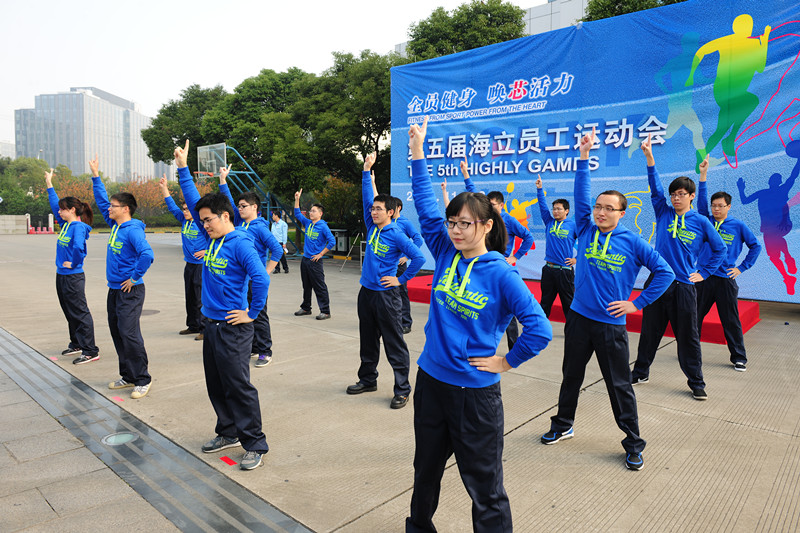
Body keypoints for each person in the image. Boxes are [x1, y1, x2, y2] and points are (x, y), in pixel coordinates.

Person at [406, 117, 552, 532]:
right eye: (452, 223)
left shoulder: (502, 274)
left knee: (484, 487)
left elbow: (539, 329)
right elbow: (423, 202)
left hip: (474, 396)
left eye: (465, 223)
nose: (455, 230)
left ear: (486, 226)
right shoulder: (445, 250)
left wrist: (506, 363)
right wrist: (418, 150)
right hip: (432, 382)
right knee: (425, 472)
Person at [540, 128, 674, 473]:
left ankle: (633, 442)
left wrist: (637, 304)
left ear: (621, 213)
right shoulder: (583, 229)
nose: (600, 212)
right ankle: (563, 424)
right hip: (579, 319)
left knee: (618, 385)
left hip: (612, 325)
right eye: (599, 207)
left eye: (608, 208)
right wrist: (583, 158)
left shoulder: (632, 241)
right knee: (571, 375)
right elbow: (580, 195)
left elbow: (665, 273)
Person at [176, 139, 270, 471]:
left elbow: (262, 279)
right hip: (211, 325)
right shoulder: (211, 239)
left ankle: (254, 442)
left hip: (234, 327)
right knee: (216, 384)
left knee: (238, 386)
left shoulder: (240, 243)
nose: (203, 225)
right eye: (201, 221)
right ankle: (227, 432)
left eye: (208, 220)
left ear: (225, 216)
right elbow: (192, 199)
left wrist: (252, 313)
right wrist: (182, 168)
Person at [631, 135, 726, 400]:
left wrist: (704, 273)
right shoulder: (663, 212)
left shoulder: (701, 221)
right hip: (657, 282)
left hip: (684, 285)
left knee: (688, 337)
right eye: (673, 194)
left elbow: (720, 249)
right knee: (649, 331)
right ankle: (640, 371)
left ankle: (696, 381)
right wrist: (649, 157)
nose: (675, 198)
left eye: (681, 194)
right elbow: (655, 188)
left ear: (692, 196)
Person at [346, 153, 425, 409]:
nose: (373, 211)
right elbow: (368, 197)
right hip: (366, 293)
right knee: (367, 340)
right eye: (373, 209)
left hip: (386, 297)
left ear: (391, 212)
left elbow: (418, 258)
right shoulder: (372, 228)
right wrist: (366, 171)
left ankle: (402, 389)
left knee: (394, 343)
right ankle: (368, 379)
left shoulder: (397, 233)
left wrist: (401, 281)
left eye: (379, 209)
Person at [90, 155, 154, 399]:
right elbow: (101, 200)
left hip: (130, 290)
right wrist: (96, 176)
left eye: (114, 206)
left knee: (129, 332)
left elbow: (147, 255)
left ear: (125, 209)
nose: (109, 209)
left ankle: (142, 379)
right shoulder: (115, 225)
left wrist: (135, 277)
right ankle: (128, 375)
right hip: (114, 289)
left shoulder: (132, 230)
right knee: (117, 331)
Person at [460, 160, 534, 351]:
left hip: (500, 266)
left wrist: (515, 257)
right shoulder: (484, 219)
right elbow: (474, 195)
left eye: (493, 205)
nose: (491, 208)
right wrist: (466, 174)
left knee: (505, 308)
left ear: (501, 205)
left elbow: (527, 237)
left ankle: (514, 346)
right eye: (488, 205)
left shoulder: (509, 221)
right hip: (481, 265)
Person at [696, 156, 761, 371]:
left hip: (725, 280)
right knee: (693, 318)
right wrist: (703, 176)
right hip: (704, 278)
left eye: (720, 206)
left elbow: (755, 246)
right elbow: (701, 201)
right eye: (714, 206)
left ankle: (739, 357)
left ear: (729, 206)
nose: (716, 209)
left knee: (730, 320)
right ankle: (690, 353)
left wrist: (742, 268)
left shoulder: (738, 225)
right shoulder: (706, 221)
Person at [219, 168, 281, 368]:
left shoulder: (260, 227)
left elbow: (277, 250)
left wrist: (266, 271)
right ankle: (253, 347)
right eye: (239, 206)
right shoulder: (239, 224)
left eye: (244, 206)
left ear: (255, 207)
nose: (240, 209)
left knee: (259, 314)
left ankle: (265, 351)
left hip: (255, 279)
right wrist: (222, 180)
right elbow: (227, 201)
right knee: (244, 312)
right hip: (241, 280)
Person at [45, 168, 99, 365]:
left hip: (73, 276)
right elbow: (53, 205)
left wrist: (75, 263)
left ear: (72, 210)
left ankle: (90, 350)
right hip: (62, 275)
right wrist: (49, 183)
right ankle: (76, 343)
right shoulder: (66, 224)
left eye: (62, 209)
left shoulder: (77, 227)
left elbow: (79, 248)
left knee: (79, 311)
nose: (59, 212)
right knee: (69, 310)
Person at [369, 170, 424, 334]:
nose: (377, 211)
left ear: (396, 209)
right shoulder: (383, 221)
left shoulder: (405, 223)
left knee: (400, 294)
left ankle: (405, 322)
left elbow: (418, 240)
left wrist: (406, 256)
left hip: (398, 265)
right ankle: (384, 321)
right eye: (376, 209)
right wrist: (373, 182)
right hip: (381, 265)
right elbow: (377, 201)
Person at [159, 176, 207, 341]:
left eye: (188, 209)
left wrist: (207, 252)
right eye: (184, 209)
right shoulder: (184, 221)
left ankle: (204, 328)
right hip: (190, 264)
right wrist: (164, 188)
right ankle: (192, 325)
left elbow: (218, 239)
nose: (185, 211)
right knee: (190, 297)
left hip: (202, 266)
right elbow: (172, 207)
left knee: (201, 298)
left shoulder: (202, 224)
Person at [535, 174, 577, 318]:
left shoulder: (573, 225)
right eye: (554, 209)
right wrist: (540, 189)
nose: (555, 211)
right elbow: (542, 206)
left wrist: (576, 260)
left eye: (559, 209)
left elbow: (586, 244)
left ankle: (572, 333)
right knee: (545, 302)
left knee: (568, 303)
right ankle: (540, 330)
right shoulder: (549, 222)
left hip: (564, 271)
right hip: (549, 270)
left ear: (567, 211)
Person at [293, 190, 336, 320]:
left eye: (314, 211)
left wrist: (320, 254)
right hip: (305, 259)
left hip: (315, 262)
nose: (311, 213)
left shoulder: (323, 227)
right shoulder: (308, 223)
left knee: (319, 286)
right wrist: (297, 199)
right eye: (310, 211)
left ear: (320, 214)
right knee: (306, 285)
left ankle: (325, 311)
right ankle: (306, 308)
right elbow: (297, 214)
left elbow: (332, 241)